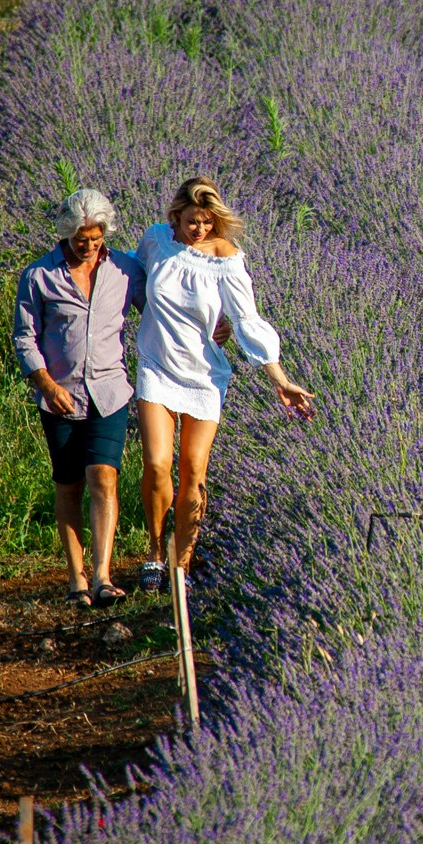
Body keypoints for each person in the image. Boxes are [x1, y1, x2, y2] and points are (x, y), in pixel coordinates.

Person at [134, 176, 315, 592]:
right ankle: (155, 554)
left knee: (194, 471)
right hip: (156, 366)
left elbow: (247, 319)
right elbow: (131, 277)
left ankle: (182, 565)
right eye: (192, 221)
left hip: (204, 375)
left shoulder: (226, 259)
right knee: (158, 464)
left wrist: (280, 380)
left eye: (207, 222)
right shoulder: (157, 241)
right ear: (175, 216)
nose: (199, 230)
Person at [13, 189, 145, 607]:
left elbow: (160, 314)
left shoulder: (125, 270)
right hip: (60, 398)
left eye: (96, 237)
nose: (89, 246)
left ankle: (104, 574)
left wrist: (210, 327)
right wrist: (47, 386)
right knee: (68, 485)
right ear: (66, 235)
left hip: (110, 391)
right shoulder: (39, 276)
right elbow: (24, 338)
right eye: (80, 239)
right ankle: (77, 580)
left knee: (104, 477)